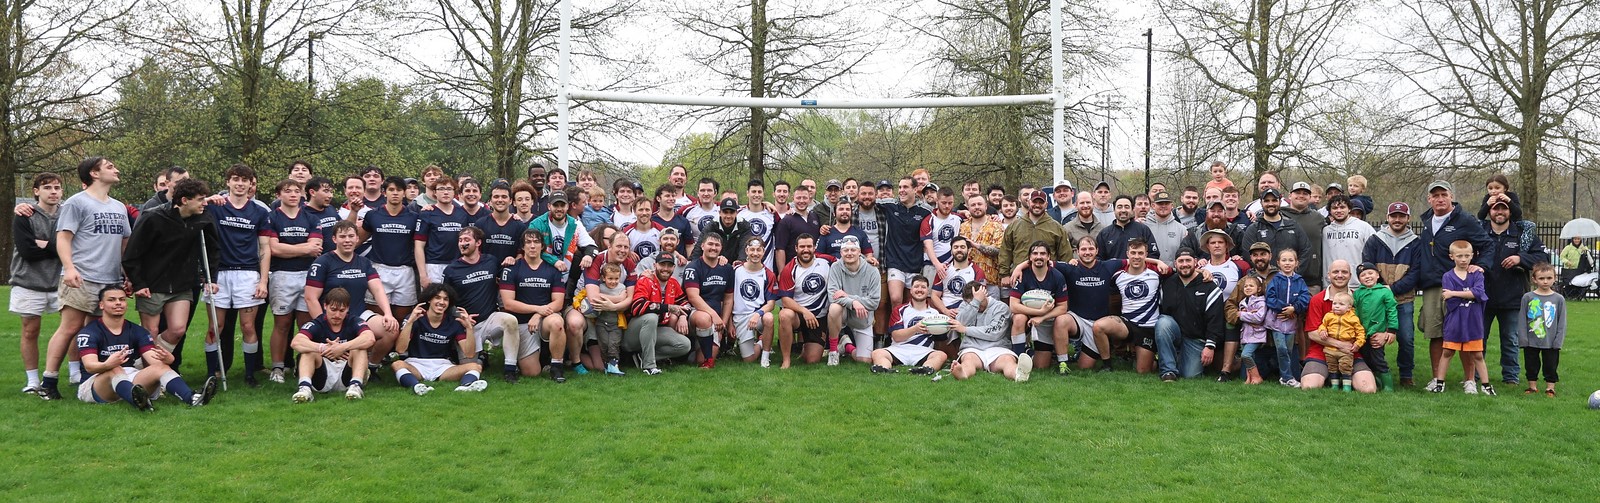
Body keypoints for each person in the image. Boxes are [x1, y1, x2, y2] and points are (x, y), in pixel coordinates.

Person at [122, 177, 217, 371]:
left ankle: (142, 366)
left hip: (182, 283)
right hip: (152, 283)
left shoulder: (203, 217)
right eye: (200, 199)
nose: (204, 203)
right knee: (151, 331)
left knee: (177, 329)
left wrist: (211, 278)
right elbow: (132, 254)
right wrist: (139, 283)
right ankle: (153, 378)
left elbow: (213, 250)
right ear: (184, 200)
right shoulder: (152, 217)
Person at [74, 285, 218, 410]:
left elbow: (153, 361)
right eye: (112, 300)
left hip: (128, 378)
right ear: (101, 305)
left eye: (122, 300)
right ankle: (138, 402)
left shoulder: (137, 330)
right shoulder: (90, 332)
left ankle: (193, 398)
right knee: (114, 369)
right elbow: (90, 366)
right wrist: (107, 364)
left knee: (161, 368)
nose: (118, 303)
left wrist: (169, 359)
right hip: (95, 383)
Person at [1415, 181, 1492, 385]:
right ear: (1429, 199)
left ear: (1451, 197)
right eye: (1435, 195)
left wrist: (1481, 266)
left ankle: (1469, 380)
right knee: (1436, 333)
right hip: (1433, 285)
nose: (1440, 199)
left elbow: (1487, 245)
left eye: (1444, 194)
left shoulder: (1464, 219)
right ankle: (1436, 379)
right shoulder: (1426, 221)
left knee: (1464, 334)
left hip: (1459, 284)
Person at [203, 164, 272, 385]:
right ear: (228, 182)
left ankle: (250, 374)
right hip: (219, 274)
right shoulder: (215, 207)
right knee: (216, 326)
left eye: (245, 180)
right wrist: (207, 199)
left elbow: (265, 248)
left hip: (247, 274)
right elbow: (190, 207)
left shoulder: (260, 212)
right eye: (235, 179)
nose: (240, 184)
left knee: (248, 326)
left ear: (251, 183)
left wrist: (263, 281)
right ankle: (211, 373)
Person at [305, 220, 401, 378]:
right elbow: (311, 298)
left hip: (357, 314)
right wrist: (323, 324)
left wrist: (388, 314)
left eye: (351, 236)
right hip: (333, 317)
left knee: (391, 329)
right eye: (342, 236)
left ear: (357, 238)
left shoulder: (364, 262)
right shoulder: (322, 262)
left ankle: (371, 366)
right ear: (334, 239)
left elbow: (377, 289)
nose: (347, 240)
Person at [442, 226, 525, 381]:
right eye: (460, 240)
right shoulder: (451, 270)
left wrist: (510, 260)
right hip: (467, 326)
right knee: (470, 367)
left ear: (478, 242)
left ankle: (510, 370)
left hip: (489, 318)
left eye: (467, 240)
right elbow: (443, 301)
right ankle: (481, 358)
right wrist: (459, 315)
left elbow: (505, 280)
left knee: (510, 321)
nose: (462, 243)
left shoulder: (491, 261)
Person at [262, 180, 323, 385]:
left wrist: (288, 248)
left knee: (306, 324)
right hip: (282, 275)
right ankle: (278, 367)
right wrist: (304, 249)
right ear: (279, 194)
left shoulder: (311, 217)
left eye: (297, 191)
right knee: (282, 323)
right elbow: (274, 249)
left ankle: (303, 362)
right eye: (288, 191)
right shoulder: (271, 217)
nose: (293, 195)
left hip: (308, 275)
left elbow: (316, 246)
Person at [1481, 198, 1547, 385]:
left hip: (1513, 296)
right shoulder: (1480, 232)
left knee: (1510, 339)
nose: (1499, 212)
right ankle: (1476, 375)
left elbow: (1542, 258)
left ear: (1510, 212)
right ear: (1489, 211)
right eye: (1495, 209)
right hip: (1483, 296)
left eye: (1504, 209)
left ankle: (1510, 377)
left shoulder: (1522, 234)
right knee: (1479, 339)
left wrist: (1520, 258)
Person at [11, 173, 64, 394]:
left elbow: (75, 247)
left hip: (61, 281)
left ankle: (76, 375)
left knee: (72, 328)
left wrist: (45, 244)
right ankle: (32, 381)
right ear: (36, 191)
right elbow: (28, 251)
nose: (53, 191)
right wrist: (58, 247)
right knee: (30, 330)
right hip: (28, 281)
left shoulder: (67, 214)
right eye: (47, 187)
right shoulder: (25, 215)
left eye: (57, 187)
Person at [1363, 202, 1421, 386]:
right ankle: (1372, 369)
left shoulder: (1415, 243)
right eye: (1394, 216)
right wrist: (1381, 289)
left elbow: (1416, 273)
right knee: (1371, 334)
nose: (1397, 219)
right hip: (1377, 300)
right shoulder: (1375, 240)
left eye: (1401, 216)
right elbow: (1368, 267)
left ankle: (1406, 374)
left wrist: (1393, 289)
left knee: (1406, 337)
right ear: (1387, 217)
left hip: (1403, 299)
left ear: (1408, 218)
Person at [393, 283, 489, 395]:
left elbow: (469, 354)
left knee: (475, 366)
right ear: (429, 300)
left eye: (446, 299)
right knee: (397, 364)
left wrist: (468, 328)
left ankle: (466, 386)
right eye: (437, 298)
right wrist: (410, 322)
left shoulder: (453, 323)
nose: (442, 302)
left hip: (442, 366)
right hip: (416, 363)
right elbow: (400, 349)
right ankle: (416, 386)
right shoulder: (416, 318)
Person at [289, 287, 375, 402]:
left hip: (346, 372)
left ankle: (356, 386)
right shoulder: (317, 323)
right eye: (333, 309)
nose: (337, 315)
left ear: (348, 309)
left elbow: (370, 338)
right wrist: (323, 348)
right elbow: (296, 342)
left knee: (359, 348)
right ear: (325, 306)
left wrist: (342, 347)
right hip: (322, 373)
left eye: (342, 310)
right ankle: (305, 389)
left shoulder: (354, 321)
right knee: (308, 351)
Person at [498, 230, 563, 381]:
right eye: (528, 242)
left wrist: (539, 314)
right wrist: (537, 309)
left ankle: (557, 367)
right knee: (532, 372)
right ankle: (538, 356)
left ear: (542, 246)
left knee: (557, 323)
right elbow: (508, 303)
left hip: (545, 317)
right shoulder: (512, 268)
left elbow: (558, 302)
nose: (532, 246)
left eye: (536, 242)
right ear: (523, 246)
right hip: (521, 322)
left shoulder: (553, 269)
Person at [1428, 240, 1492, 395]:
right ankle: (1440, 383)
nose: (1463, 259)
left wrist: (1455, 293)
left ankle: (1486, 386)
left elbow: (1478, 293)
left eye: (1466, 256)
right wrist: (1466, 296)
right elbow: (1450, 300)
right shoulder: (1448, 276)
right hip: (1455, 321)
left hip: (1473, 321)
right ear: (1452, 257)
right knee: (1448, 352)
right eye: (1459, 256)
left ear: (1472, 256)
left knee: (1477, 354)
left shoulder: (1477, 274)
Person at [1152, 248, 1225, 381]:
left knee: (1190, 375)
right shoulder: (1168, 283)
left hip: (1196, 339)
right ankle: (1168, 372)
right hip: (1176, 334)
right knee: (1163, 322)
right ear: (1175, 263)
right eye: (1181, 261)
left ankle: (1179, 358)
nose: (1184, 264)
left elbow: (1216, 319)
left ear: (1195, 262)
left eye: (1188, 260)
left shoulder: (1209, 286)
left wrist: (1210, 346)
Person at [359, 177, 421, 322]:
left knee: (401, 318)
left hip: (405, 271)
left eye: (399, 190)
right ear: (384, 192)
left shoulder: (414, 217)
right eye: (391, 190)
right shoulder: (373, 215)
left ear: (404, 193)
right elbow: (358, 240)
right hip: (379, 270)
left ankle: (398, 345)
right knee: (378, 318)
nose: (395, 193)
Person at [877, 177, 932, 329]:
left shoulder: (925, 210)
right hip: (895, 262)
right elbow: (865, 201)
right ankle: (896, 333)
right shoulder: (889, 204)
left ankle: (910, 334)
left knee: (911, 303)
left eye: (905, 187)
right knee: (895, 299)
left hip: (914, 264)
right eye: (900, 187)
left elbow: (941, 214)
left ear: (915, 189)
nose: (901, 190)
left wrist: (963, 212)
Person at [626, 254, 694, 375]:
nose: (665, 269)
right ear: (654, 265)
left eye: (669, 266)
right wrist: (668, 308)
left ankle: (641, 357)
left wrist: (683, 316)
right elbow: (637, 306)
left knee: (684, 345)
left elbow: (685, 303)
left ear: (674, 268)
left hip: (656, 330)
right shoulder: (645, 280)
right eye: (662, 264)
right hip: (633, 333)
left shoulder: (673, 283)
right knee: (651, 317)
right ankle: (649, 366)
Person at [870, 275, 948, 375]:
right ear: (911, 290)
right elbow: (896, 336)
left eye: (923, 287)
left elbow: (940, 338)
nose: (919, 290)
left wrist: (946, 327)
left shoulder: (935, 314)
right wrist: (915, 328)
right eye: (916, 286)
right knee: (877, 353)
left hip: (923, 350)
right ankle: (885, 368)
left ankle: (925, 369)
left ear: (927, 291)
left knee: (941, 355)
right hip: (899, 348)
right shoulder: (900, 310)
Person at [778, 234, 837, 365]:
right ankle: (786, 360)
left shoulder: (827, 261)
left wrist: (867, 260)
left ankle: (806, 348)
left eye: (809, 246)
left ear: (814, 247)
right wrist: (804, 312)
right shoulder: (789, 269)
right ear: (796, 248)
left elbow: (848, 261)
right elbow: (786, 300)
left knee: (812, 360)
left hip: (819, 317)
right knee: (784, 315)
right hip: (799, 314)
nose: (806, 250)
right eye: (802, 247)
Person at [1008, 241, 1067, 371]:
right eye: (1035, 253)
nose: (1039, 256)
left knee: (1041, 366)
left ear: (1048, 257)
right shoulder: (1022, 275)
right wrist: (1039, 311)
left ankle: (1028, 351)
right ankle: (1017, 357)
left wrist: (1043, 316)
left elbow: (1063, 307)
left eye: (1042, 253)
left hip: (1046, 321)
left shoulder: (1057, 276)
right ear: (1029, 257)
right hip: (1027, 317)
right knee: (1018, 318)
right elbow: (1013, 306)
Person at [949, 282, 1025, 381]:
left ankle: (1018, 375)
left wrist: (965, 329)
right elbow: (960, 322)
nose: (977, 305)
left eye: (979, 301)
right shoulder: (966, 305)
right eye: (970, 302)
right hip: (973, 348)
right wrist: (975, 302)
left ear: (985, 294)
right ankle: (963, 373)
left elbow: (995, 333)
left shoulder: (1001, 307)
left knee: (1007, 361)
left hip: (998, 347)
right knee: (968, 360)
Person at [684, 232, 736, 368]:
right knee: (704, 318)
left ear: (721, 248)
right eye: (710, 244)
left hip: (717, 319)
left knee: (700, 359)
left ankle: (692, 352)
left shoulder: (727, 269)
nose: (713, 248)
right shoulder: (693, 267)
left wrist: (722, 325)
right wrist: (713, 315)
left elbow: (728, 298)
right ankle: (704, 356)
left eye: (717, 245)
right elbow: (693, 297)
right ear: (702, 246)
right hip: (695, 313)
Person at [826, 237, 881, 363]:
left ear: (859, 252)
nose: (849, 253)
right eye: (845, 250)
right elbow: (832, 296)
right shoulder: (835, 267)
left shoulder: (872, 271)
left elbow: (874, 303)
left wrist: (848, 296)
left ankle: (846, 346)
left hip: (862, 318)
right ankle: (833, 352)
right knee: (834, 308)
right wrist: (853, 302)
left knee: (864, 360)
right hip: (843, 313)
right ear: (841, 253)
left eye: (853, 250)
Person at [1263, 249, 1309, 387]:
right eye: (1284, 260)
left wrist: (1294, 308)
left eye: (1290, 260)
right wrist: (1284, 308)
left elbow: (1305, 298)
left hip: (1291, 322)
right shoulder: (1275, 280)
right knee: (1281, 349)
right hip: (1277, 321)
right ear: (1278, 263)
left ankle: (1286, 377)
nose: (1287, 263)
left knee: (1288, 350)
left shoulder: (1299, 281)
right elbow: (1270, 298)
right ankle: (1286, 377)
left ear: (1296, 263)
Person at [1519, 263, 1566, 397]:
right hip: (1531, 340)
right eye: (1541, 278)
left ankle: (1550, 388)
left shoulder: (1559, 299)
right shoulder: (1527, 297)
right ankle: (1532, 387)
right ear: (1534, 279)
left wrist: (1558, 340)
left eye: (1549, 278)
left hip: (1551, 341)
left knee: (1550, 365)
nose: (1545, 281)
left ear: (1554, 278)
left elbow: (1562, 321)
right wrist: (1523, 339)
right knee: (1531, 364)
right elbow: (1522, 319)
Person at [731, 237, 779, 367]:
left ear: (764, 252)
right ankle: (761, 342)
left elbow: (771, 304)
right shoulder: (735, 271)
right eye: (752, 249)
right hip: (740, 317)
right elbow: (728, 298)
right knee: (749, 359)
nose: (755, 253)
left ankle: (765, 357)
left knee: (768, 317)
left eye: (759, 250)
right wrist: (729, 322)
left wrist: (757, 314)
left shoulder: (769, 274)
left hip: (757, 316)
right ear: (746, 251)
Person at [414, 176, 469, 287]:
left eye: (449, 189)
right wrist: (423, 275)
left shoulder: (462, 213)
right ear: (435, 192)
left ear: (455, 192)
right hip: (433, 266)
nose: (445, 192)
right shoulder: (427, 213)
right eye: (441, 189)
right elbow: (419, 246)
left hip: (457, 264)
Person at [1353, 262, 1398, 391]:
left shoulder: (1384, 292)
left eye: (1370, 273)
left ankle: (1388, 385)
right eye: (1363, 275)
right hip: (1361, 333)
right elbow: (1354, 311)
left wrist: (1392, 330)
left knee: (1378, 359)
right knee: (1365, 358)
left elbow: (1392, 311)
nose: (1367, 276)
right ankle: (1375, 381)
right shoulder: (1357, 294)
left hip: (1376, 332)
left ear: (1377, 275)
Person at [585, 263, 630, 375]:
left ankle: (614, 365)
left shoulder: (622, 288)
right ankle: (606, 365)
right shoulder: (600, 287)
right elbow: (597, 298)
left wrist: (616, 299)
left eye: (616, 278)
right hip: (601, 322)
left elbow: (624, 301)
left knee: (613, 344)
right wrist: (618, 299)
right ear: (603, 278)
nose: (613, 281)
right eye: (610, 278)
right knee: (604, 344)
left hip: (616, 323)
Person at [1318, 292, 1365, 391]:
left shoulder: (1353, 319)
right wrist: (1322, 331)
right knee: (1332, 367)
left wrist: (1358, 343)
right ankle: (1334, 385)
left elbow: (1360, 332)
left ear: (1349, 307)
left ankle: (1346, 386)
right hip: (1330, 349)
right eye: (1334, 304)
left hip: (1346, 350)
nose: (1337, 306)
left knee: (1346, 367)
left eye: (1341, 304)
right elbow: (1323, 325)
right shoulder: (1329, 316)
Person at [1282, 182, 1325, 291]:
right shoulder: (1280, 215)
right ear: (1290, 195)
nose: (1301, 195)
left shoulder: (1318, 218)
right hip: (1283, 278)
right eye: (1297, 192)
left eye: (1305, 193)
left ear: (1309, 197)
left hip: (1311, 281)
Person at [476, 181, 525, 267]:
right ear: (490, 201)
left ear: (510, 201)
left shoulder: (520, 226)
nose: (500, 200)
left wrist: (514, 260)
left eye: (504, 197)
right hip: (485, 273)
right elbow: (475, 252)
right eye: (496, 197)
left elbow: (522, 253)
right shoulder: (481, 224)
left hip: (511, 274)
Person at [1321, 195, 1374, 275]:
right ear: (1330, 211)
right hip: (1331, 282)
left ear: (1349, 209)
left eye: (1342, 207)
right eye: (1335, 208)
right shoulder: (1325, 231)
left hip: (1358, 283)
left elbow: (1375, 252)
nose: (1338, 211)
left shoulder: (1363, 227)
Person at [1097, 195, 1159, 261]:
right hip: (1112, 271)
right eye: (1119, 207)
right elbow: (1098, 258)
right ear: (1114, 210)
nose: (1123, 210)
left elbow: (1153, 254)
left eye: (1127, 207)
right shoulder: (1104, 233)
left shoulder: (1143, 230)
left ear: (1132, 210)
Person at [1235, 275, 1269, 384]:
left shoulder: (1261, 302)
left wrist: (1242, 315)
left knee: (1246, 355)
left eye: (1251, 286)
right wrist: (1248, 314)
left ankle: (1257, 376)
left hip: (1256, 335)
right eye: (1245, 286)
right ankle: (1249, 378)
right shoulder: (1243, 302)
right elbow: (1250, 317)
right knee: (1249, 357)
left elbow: (1259, 318)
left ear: (1258, 289)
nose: (1248, 288)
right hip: (1245, 334)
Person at [739, 180, 778, 269]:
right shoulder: (739, 214)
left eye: (759, 192)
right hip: (745, 268)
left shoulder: (772, 213)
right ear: (747, 193)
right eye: (753, 191)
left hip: (767, 269)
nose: (756, 195)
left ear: (763, 194)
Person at [699, 198, 751, 263]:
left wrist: (740, 263)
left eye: (731, 212)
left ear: (736, 213)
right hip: (715, 263)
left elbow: (744, 247)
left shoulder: (744, 226)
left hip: (736, 264)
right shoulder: (712, 225)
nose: (728, 216)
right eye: (725, 212)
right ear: (720, 213)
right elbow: (699, 247)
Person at [1145, 191, 1186, 263]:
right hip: (1150, 272)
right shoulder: (1144, 226)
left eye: (1166, 203)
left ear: (1172, 206)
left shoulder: (1181, 229)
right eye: (1160, 203)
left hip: (1174, 272)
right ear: (1153, 206)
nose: (1163, 206)